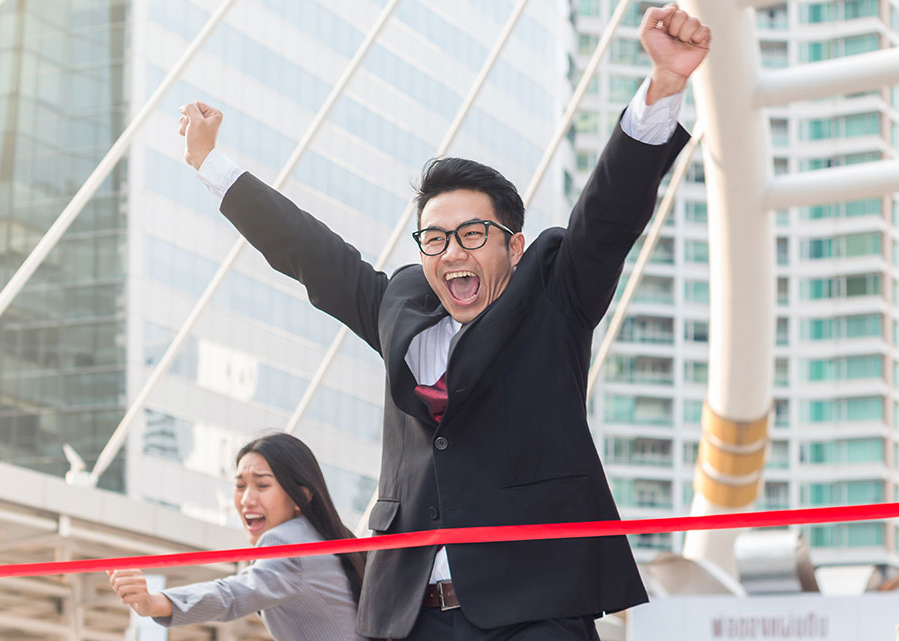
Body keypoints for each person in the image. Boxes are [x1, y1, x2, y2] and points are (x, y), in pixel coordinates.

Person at [177, 5, 709, 640]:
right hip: (411, 617)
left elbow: (610, 215)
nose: (451, 251)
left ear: (512, 247)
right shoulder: (398, 309)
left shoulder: (555, 301)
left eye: (471, 234)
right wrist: (211, 165)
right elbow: (309, 252)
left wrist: (664, 88)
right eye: (433, 238)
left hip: (533, 612)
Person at [108, 433, 369, 641]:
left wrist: (154, 603)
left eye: (262, 485)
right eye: (240, 486)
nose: (246, 499)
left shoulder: (286, 542)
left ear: (300, 496)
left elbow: (231, 596)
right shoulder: (318, 540)